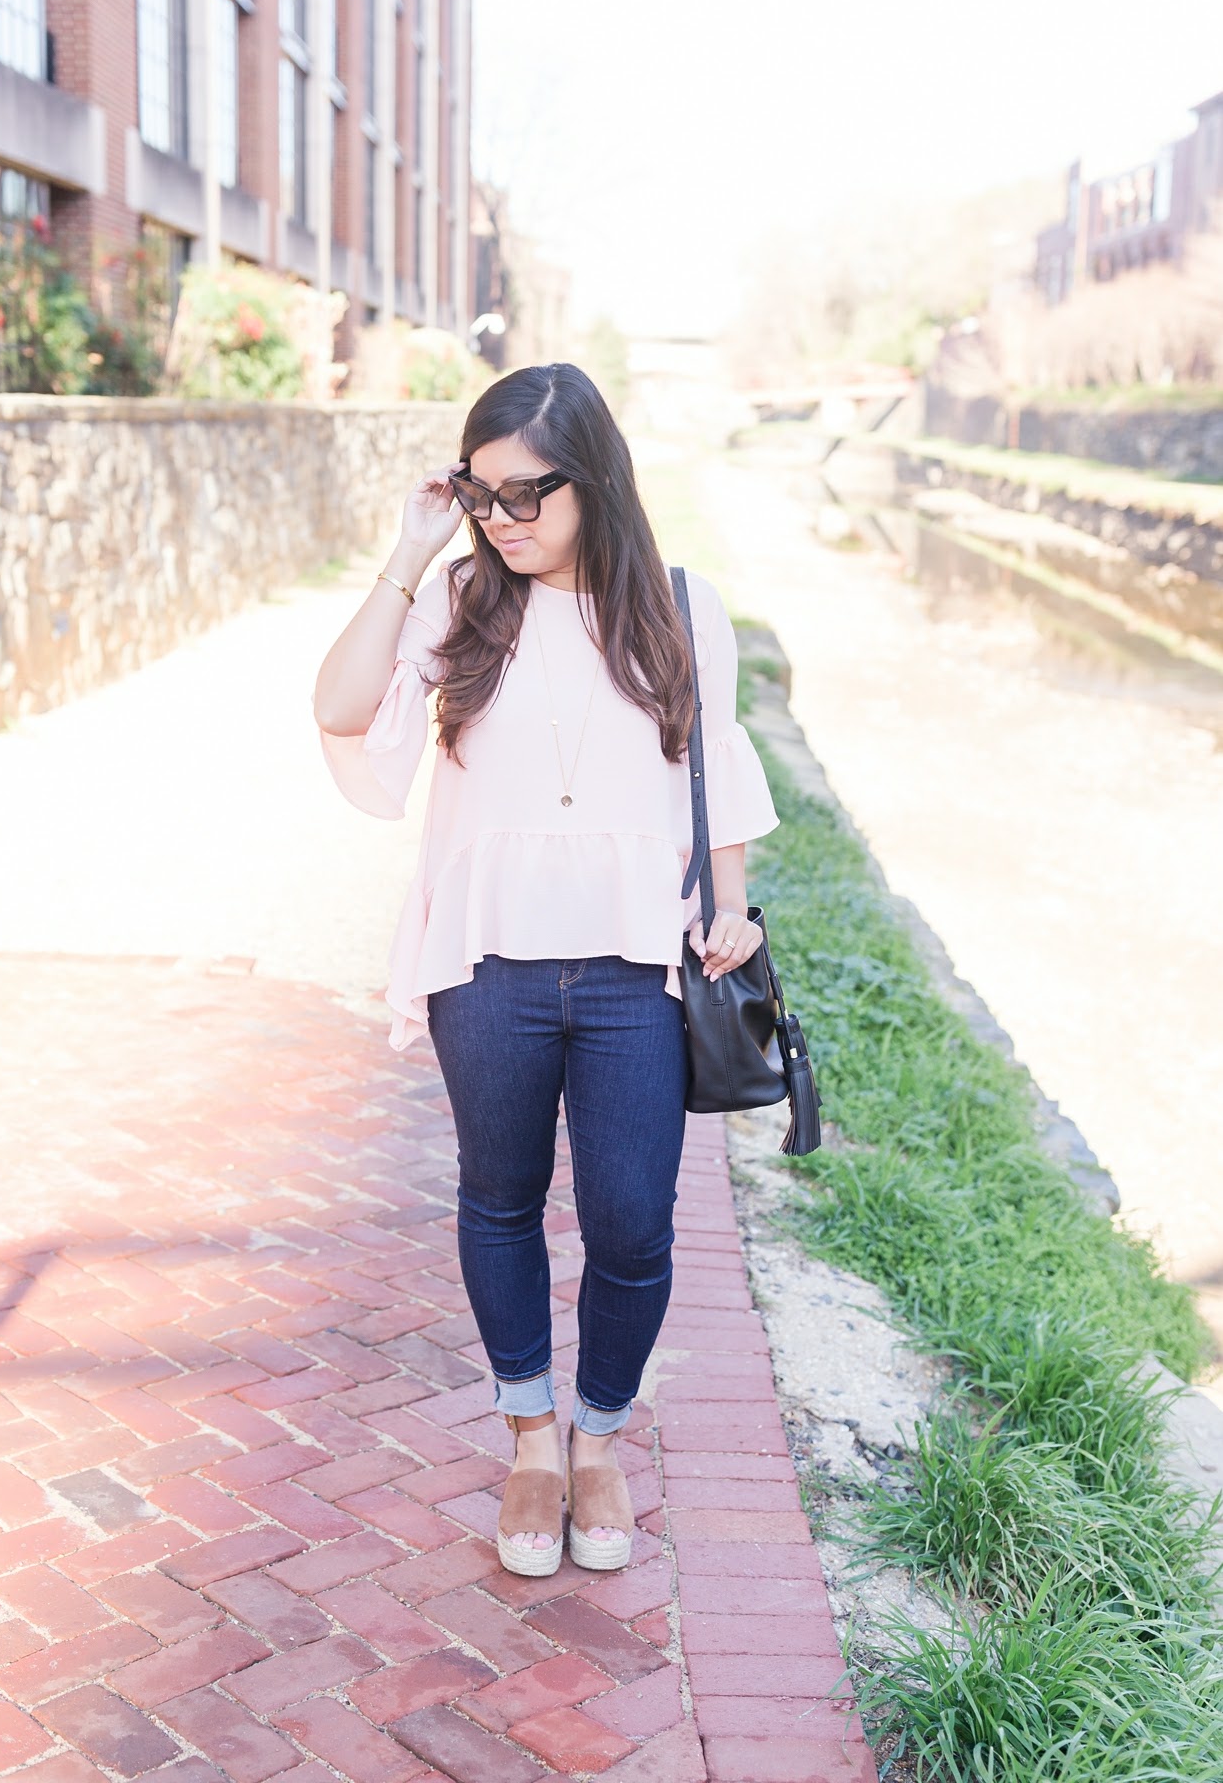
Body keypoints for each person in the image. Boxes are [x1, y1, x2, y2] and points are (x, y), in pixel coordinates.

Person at [313, 362, 778, 1575]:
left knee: (632, 1222)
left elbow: (714, 761)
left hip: (637, 969)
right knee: (500, 1201)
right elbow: (344, 706)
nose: (505, 518)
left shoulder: (681, 605)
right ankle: (531, 1437)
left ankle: (601, 1433)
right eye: (483, 495)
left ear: (597, 478)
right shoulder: (462, 595)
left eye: (530, 494)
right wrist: (412, 550)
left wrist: (732, 903)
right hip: (490, 965)